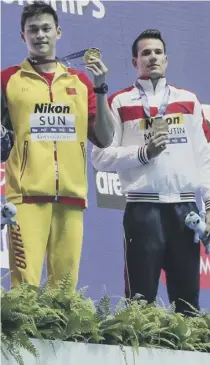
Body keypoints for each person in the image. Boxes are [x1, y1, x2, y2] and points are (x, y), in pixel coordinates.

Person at [91, 29, 210, 314]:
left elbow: (207, 157)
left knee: (188, 304)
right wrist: (143, 153)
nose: (152, 57)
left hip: (184, 211)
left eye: (158, 52)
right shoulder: (119, 102)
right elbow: (100, 157)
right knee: (140, 303)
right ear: (134, 61)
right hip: (142, 210)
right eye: (145, 53)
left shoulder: (188, 100)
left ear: (167, 60)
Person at [1, 1, 115, 290]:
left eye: (46, 28)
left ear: (58, 32)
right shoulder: (7, 80)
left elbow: (105, 137)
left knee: (64, 293)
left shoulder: (81, 82)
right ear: (22, 36)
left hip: (71, 197)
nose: (40, 35)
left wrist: (101, 88)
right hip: (25, 199)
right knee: (24, 290)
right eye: (33, 29)